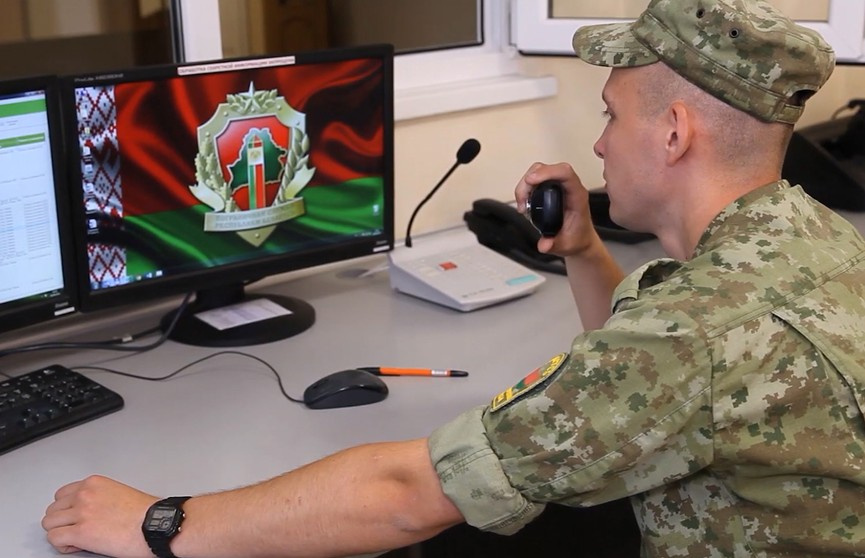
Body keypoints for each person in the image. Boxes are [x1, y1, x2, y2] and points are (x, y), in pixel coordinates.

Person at [42, 0, 865, 556]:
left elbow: (406, 492)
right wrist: (581, 251)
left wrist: (157, 523)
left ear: (675, 133)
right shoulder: (812, 235)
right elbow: (656, 385)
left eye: (611, 114)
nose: (600, 142)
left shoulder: (693, 333)